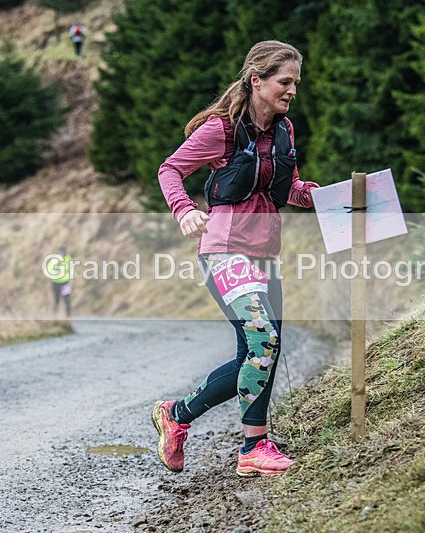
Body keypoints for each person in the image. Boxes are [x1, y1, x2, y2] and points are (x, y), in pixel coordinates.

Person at [152, 40, 319, 477]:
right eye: (285, 82)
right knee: (264, 340)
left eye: (296, 83)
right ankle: (253, 447)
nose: (292, 91)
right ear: (257, 80)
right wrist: (184, 210)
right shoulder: (221, 130)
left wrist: (321, 196)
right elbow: (170, 169)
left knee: (261, 350)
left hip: (265, 251)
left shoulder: (284, 130)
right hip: (225, 250)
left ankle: (177, 414)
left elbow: (288, 188)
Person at [46, 246, 72, 317]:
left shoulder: (68, 259)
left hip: (65, 283)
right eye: (60, 253)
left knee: (67, 300)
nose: (62, 254)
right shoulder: (54, 260)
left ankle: (68, 316)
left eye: (63, 253)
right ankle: (54, 316)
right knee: (56, 300)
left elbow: (70, 268)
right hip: (55, 283)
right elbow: (49, 269)